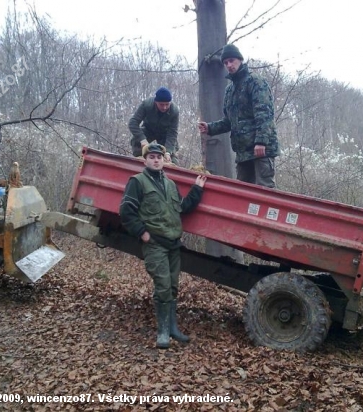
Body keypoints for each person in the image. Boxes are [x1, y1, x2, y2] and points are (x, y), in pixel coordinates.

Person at [119, 142, 207, 349]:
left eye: (159, 156)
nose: (156, 159)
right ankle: (163, 332)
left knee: (173, 287)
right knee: (163, 286)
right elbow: (126, 211)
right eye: (152, 156)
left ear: (164, 160)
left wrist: (197, 189)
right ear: (145, 159)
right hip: (155, 245)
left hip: (173, 245)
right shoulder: (137, 182)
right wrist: (143, 233)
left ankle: (174, 328)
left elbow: (183, 207)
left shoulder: (170, 184)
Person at [198, 44, 279, 188]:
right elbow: (229, 121)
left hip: (261, 150)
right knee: (243, 194)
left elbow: (264, 113)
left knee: (265, 193)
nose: (229, 65)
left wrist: (261, 141)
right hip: (243, 152)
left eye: (231, 60)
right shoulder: (230, 90)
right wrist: (210, 128)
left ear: (240, 60)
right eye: (226, 62)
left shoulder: (255, 82)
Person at [128, 87, 180, 165]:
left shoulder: (174, 111)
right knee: (136, 141)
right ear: (156, 102)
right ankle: (140, 162)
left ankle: (172, 170)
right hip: (148, 129)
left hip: (164, 134)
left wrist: (168, 152)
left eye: (167, 104)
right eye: (161, 105)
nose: (164, 107)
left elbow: (173, 132)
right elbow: (133, 122)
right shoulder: (146, 105)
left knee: (172, 153)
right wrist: (142, 140)